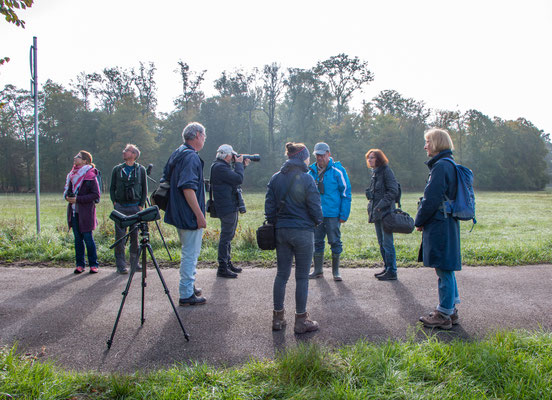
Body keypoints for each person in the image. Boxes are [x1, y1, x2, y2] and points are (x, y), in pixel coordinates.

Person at [265, 142, 323, 334]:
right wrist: (317, 221)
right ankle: (301, 321)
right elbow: (315, 207)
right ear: (301, 157)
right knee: (301, 277)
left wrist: (277, 223)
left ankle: (278, 318)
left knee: (281, 275)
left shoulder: (275, 178)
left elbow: (269, 208)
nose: (309, 159)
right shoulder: (307, 179)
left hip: (281, 231)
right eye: (307, 156)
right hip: (303, 232)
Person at [415, 128, 462, 329]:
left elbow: (431, 199)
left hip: (439, 223)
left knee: (443, 268)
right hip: (447, 221)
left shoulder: (440, 167)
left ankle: (443, 314)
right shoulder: (448, 164)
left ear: (435, 143)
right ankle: (451, 310)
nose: (425, 146)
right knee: (446, 268)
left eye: (427, 142)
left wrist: (419, 220)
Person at [163, 122, 207, 306]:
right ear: (197, 135)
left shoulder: (178, 152)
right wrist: (199, 215)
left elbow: (165, 177)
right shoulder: (191, 157)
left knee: (187, 251)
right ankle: (186, 294)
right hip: (188, 213)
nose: (204, 139)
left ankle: (189, 286)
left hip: (178, 210)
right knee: (190, 253)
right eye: (204, 135)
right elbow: (188, 187)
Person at [307, 142, 351, 281]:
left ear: (328, 154)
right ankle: (318, 270)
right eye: (317, 155)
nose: (319, 157)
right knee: (317, 242)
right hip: (316, 215)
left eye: (322, 155)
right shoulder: (311, 172)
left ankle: (336, 272)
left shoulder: (338, 171)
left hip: (333, 214)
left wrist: (344, 214)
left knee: (335, 241)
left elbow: (346, 193)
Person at [210, 144, 251, 278]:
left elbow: (233, 180)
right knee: (226, 237)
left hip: (228, 205)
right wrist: (239, 165)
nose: (234, 157)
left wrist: (242, 166)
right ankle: (222, 267)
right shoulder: (219, 167)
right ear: (227, 155)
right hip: (226, 206)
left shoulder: (220, 167)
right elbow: (238, 179)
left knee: (228, 236)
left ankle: (227, 263)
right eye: (232, 155)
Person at [109, 144, 148, 274]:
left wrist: (140, 205)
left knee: (135, 237)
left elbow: (144, 189)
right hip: (120, 207)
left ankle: (134, 263)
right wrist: (114, 202)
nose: (124, 152)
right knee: (120, 237)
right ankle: (121, 265)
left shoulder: (140, 170)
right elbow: (112, 187)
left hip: (135, 206)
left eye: (127, 151)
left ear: (134, 154)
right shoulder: (117, 169)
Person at [63, 150, 100, 274]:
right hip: (74, 212)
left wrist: (78, 199)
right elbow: (68, 190)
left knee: (88, 238)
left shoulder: (90, 175)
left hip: (86, 212)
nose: (75, 158)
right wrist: (67, 197)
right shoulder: (71, 175)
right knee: (77, 239)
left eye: (78, 157)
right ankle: (80, 264)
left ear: (85, 160)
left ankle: (94, 264)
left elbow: (95, 195)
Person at [365, 149, 400, 281]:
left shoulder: (386, 171)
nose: (370, 160)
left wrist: (380, 205)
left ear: (379, 159)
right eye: (369, 157)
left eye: (372, 157)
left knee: (387, 242)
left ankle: (392, 271)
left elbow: (393, 191)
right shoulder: (375, 174)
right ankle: (387, 267)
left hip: (386, 213)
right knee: (381, 242)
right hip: (377, 213)